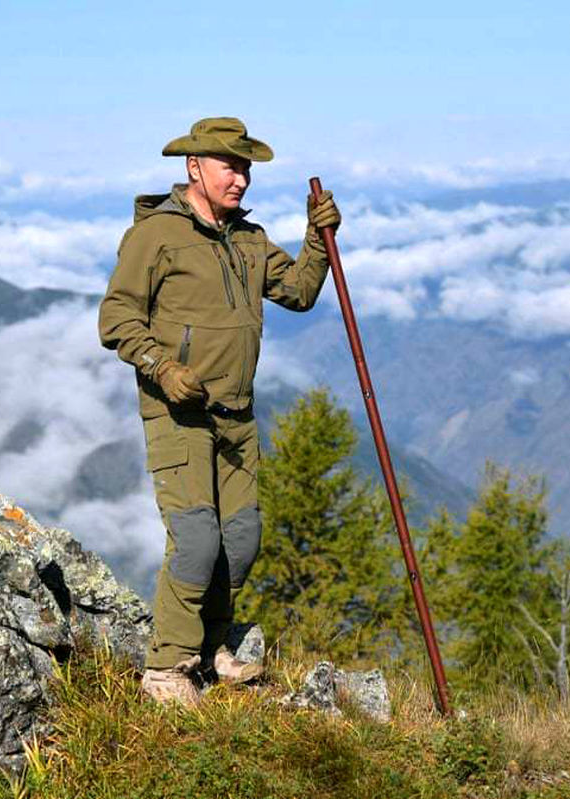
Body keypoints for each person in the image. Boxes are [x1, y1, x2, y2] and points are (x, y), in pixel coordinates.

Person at [98, 117, 340, 706]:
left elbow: (300, 293)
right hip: (177, 413)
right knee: (197, 538)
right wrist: (161, 366)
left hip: (236, 414)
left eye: (246, 167)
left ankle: (211, 646)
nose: (242, 179)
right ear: (193, 167)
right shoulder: (156, 237)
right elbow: (115, 318)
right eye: (231, 165)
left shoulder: (248, 240)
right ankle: (166, 667)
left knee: (241, 538)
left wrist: (318, 239)